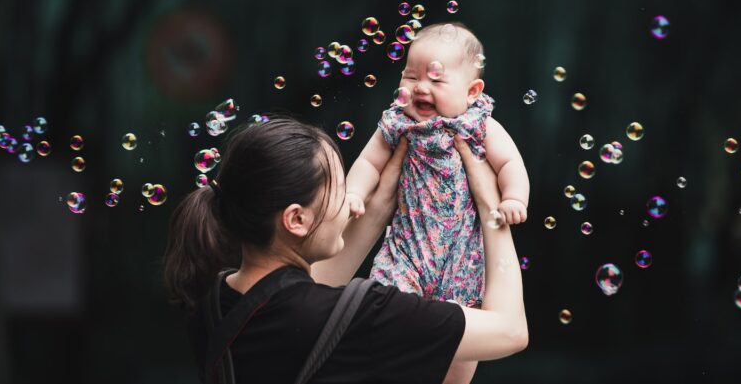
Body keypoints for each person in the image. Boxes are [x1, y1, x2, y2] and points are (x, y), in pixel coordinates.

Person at [164, 118, 527, 384]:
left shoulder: (210, 306)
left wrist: (384, 201)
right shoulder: (368, 316)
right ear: (296, 219)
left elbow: (302, 301)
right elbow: (510, 331)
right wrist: (489, 207)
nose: (350, 204)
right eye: (340, 190)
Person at [344, 22, 530, 382]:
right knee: (390, 322)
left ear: (472, 91)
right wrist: (354, 192)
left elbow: (510, 163)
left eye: (436, 80)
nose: (421, 88)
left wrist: (513, 198)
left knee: (463, 352)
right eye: (411, 77)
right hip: (407, 253)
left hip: (461, 261)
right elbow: (368, 162)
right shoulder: (398, 123)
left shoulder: (479, 124)